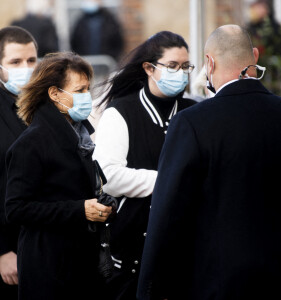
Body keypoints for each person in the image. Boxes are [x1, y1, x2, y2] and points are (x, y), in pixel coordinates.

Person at [137, 24, 281, 300]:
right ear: (255, 56)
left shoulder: (192, 123)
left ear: (209, 63)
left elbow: (167, 213)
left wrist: (149, 289)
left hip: (217, 283)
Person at [93, 31, 196, 299]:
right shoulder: (121, 112)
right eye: (172, 66)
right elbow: (109, 177)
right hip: (131, 254)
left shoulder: (193, 111)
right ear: (149, 68)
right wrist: (170, 181)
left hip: (183, 248)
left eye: (186, 67)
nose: (181, 73)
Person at [5, 52, 113, 300]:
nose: (86, 96)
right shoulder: (32, 143)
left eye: (88, 88)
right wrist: (79, 210)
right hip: (50, 267)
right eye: (79, 89)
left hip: (81, 264)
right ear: (54, 94)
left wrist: (102, 205)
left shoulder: (79, 136)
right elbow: (17, 208)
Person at [0, 25, 38, 299]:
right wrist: (1, 250)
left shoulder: (43, 104)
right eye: (15, 62)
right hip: (9, 248)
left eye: (31, 60)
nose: (25, 68)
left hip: (42, 241)